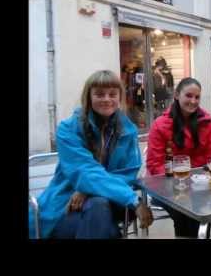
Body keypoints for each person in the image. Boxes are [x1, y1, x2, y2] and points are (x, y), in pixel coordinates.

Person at [28, 70, 154, 239]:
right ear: (89, 97)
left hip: (114, 202)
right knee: (107, 226)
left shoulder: (128, 130)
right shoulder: (68, 129)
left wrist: (88, 190)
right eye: (99, 94)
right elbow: (83, 170)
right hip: (67, 204)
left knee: (97, 203)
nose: (107, 99)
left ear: (119, 98)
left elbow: (128, 174)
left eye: (112, 94)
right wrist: (134, 201)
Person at [146, 77, 211, 237]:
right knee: (185, 206)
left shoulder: (207, 121)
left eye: (197, 97)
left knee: (207, 205)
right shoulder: (160, 124)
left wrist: (210, 169)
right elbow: (154, 164)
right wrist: (177, 183)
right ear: (177, 95)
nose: (193, 101)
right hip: (165, 187)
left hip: (200, 185)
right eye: (188, 95)